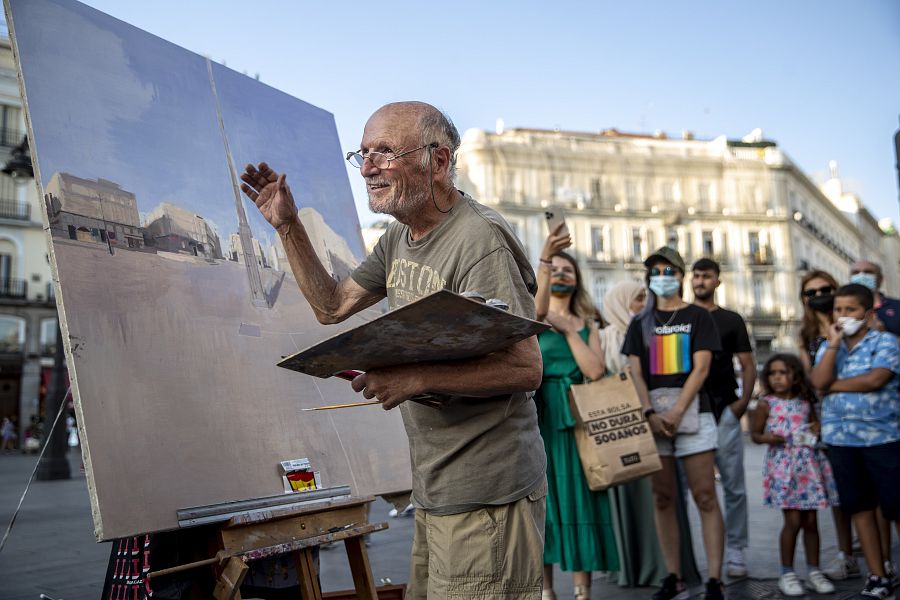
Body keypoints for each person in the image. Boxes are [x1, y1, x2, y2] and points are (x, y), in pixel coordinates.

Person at [240, 101, 547, 599]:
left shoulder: (479, 240)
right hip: (437, 489)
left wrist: (416, 378)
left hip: (487, 494)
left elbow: (526, 367)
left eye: (384, 152)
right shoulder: (399, 237)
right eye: (362, 154)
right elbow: (332, 306)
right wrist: (287, 225)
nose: (366, 168)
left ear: (438, 161)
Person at [622, 246, 727, 600]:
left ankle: (714, 579)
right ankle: (674, 575)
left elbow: (701, 367)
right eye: (655, 272)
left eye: (669, 271)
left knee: (705, 496)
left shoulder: (699, 317)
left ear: (681, 275)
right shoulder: (640, 322)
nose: (662, 278)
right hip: (655, 418)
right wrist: (650, 412)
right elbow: (634, 370)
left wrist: (678, 410)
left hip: (694, 414)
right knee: (663, 497)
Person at [601, 281, 702, 588]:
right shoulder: (604, 337)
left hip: (658, 421)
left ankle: (671, 569)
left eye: (646, 297)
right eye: (638, 298)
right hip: (623, 431)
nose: (644, 303)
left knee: (665, 494)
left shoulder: (654, 331)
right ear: (619, 302)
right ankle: (636, 568)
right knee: (643, 499)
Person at [535, 228, 617, 600]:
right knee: (543, 502)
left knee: (579, 499)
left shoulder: (587, 325)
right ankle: (546, 591)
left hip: (578, 418)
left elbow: (596, 371)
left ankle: (583, 592)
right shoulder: (534, 320)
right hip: (539, 419)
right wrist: (545, 259)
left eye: (569, 271)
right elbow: (535, 309)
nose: (563, 275)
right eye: (556, 270)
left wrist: (569, 329)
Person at [811, 284, 900, 600]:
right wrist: (833, 346)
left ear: (867, 313)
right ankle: (878, 576)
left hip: (883, 437)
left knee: (894, 506)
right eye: (839, 309)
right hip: (841, 441)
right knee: (859, 506)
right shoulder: (828, 347)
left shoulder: (885, 341)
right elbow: (818, 382)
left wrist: (833, 386)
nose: (843, 316)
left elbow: (876, 379)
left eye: (851, 310)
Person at [750, 354, 837, 597]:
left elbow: (814, 427)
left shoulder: (805, 401)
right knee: (793, 521)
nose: (777, 378)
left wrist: (816, 429)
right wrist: (770, 438)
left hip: (808, 466)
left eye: (783, 373)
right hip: (782, 468)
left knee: (811, 521)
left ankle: (814, 570)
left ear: (796, 376)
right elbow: (755, 435)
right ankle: (787, 573)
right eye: (772, 373)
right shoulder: (766, 403)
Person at [691, 258, 756, 579]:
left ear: (718, 281)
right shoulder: (683, 317)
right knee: (699, 487)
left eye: (707, 276)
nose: (700, 280)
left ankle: (736, 549)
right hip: (692, 409)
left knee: (733, 485)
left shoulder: (732, 320)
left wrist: (741, 404)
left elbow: (748, 364)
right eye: (697, 275)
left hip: (725, 408)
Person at [797, 270, 859, 580]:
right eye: (811, 292)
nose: (819, 295)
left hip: (863, 414)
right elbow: (813, 383)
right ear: (804, 300)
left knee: (871, 491)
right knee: (839, 493)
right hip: (827, 419)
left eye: (825, 289)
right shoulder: (806, 337)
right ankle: (846, 554)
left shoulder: (852, 324)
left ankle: (881, 556)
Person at [850, 260, 900, 336]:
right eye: (856, 273)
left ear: (880, 279)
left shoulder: (897, 307)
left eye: (868, 272)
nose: (862, 276)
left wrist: (884, 335)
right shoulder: (841, 309)